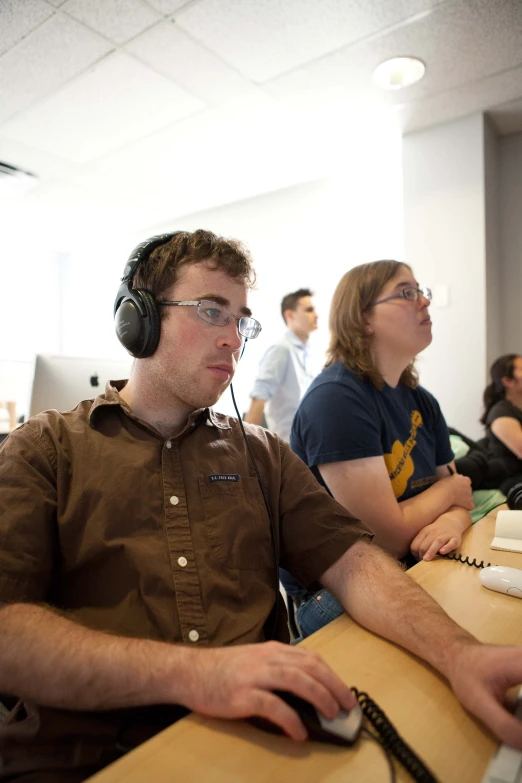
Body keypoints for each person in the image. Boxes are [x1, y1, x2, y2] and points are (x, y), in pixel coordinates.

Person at [1, 234, 522, 781]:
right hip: (76, 762)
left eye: (241, 321)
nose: (232, 339)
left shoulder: (261, 453)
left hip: (256, 746)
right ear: (140, 318)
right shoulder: (45, 449)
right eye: (211, 312)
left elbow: (353, 561)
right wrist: (196, 675)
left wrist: (460, 654)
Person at [285, 260, 474, 636]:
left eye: (421, 291)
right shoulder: (336, 398)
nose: (423, 302)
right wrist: (449, 491)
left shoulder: (422, 401)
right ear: (363, 318)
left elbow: (463, 497)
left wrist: (453, 517)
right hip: (336, 591)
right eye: (406, 293)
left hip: (411, 562)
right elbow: (384, 538)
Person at [244, 288, 318, 441]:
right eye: (309, 310)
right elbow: (259, 396)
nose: (316, 315)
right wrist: (248, 451)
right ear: (290, 315)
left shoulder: (308, 353)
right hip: (289, 449)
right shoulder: (281, 349)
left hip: (309, 444)